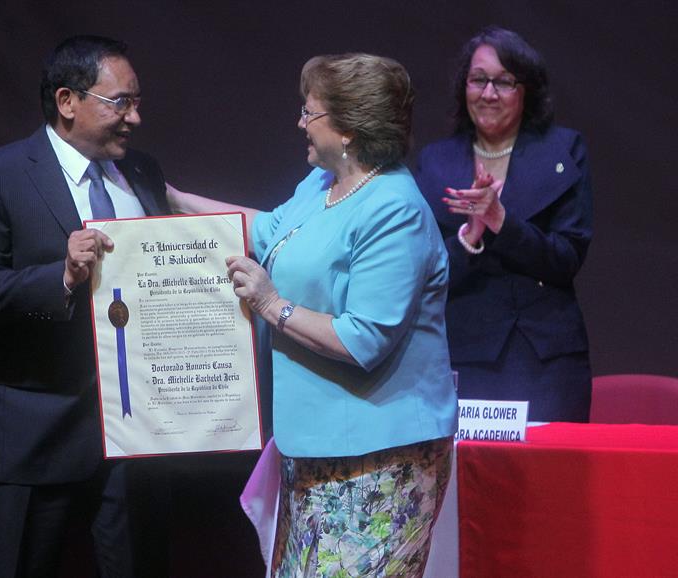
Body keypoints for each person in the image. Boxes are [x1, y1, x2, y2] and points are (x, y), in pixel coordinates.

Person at [168, 53, 457, 578]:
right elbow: (267, 230)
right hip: (315, 452)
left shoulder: (394, 209)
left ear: (348, 127)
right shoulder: (321, 186)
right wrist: (172, 200)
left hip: (378, 460)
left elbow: (363, 339)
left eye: (310, 113)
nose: (300, 123)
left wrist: (271, 304)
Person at [0, 35, 170, 577]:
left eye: (137, 102)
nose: (134, 117)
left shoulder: (142, 173)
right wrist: (63, 276)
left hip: (131, 438)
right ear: (68, 101)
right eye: (121, 102)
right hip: (31, 437)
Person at [415, 26, 593, 422]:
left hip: (546, 358)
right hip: (461, 352)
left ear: (526, 89)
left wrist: (501, 222)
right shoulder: (435, 161)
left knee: (549, 481)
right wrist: (470, 237)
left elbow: (566, 258)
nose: (488, 93)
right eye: (478, 80)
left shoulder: (563, 151)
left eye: (504, 82)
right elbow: (424, 271)